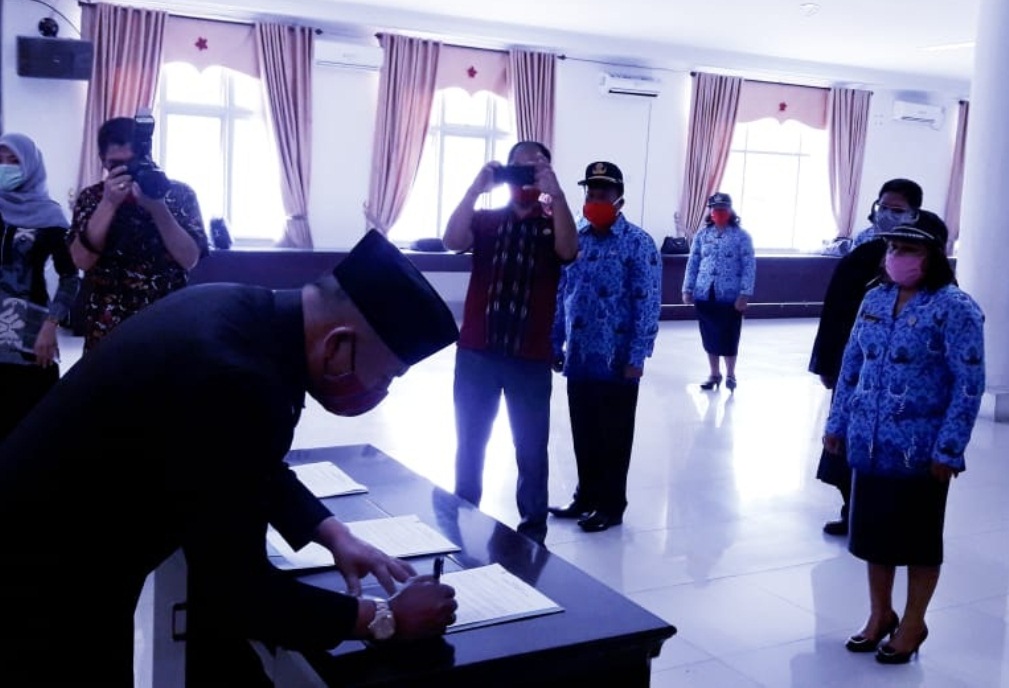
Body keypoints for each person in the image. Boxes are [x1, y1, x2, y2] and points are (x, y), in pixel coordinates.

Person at [0, 229, 461, 686]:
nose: (380, 391)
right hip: (43, 582)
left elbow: (242, 460)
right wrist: (383, 617)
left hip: (60, 548)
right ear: (337, 345)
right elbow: (237, 590)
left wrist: (333, 533)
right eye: (386, 376)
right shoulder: (237, 377)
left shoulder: (242, 310)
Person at [822, 211, 984, 665]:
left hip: (921, 449)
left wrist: (950, 447)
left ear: (932, 255)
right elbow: (851, 365)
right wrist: (836, 424)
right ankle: (880, 615)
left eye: (909, 249)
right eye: (893, 247)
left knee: (917, 540)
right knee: (874, 536)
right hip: (869, 442)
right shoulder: (875, 298)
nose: (897, 256)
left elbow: (968, 384)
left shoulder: (955, 308)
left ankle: (913, 623)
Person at [444, 140, 578, 545]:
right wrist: (474, 189)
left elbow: (569, 250)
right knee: (470, 441)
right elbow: (452, 239)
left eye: (535, 170)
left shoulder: (552, 223)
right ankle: (462, 514)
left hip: (529, 356)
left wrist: (557, 195)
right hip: (477, 352)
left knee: (531, 448)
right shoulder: (486, 220)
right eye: (520, 169)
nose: (527, 178)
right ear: (505, 173)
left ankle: (533, 532)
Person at [548, 161, 661, 532]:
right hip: (580, 356)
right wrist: (555, 340)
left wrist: (637, 355)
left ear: (619, 200)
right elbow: (563, 292)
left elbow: (648, 302)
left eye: (603, 195)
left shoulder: (638, 243)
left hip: (617, 360)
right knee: (583, 430)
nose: (595, 201)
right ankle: (586, 495)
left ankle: (611, 505)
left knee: (614, 435)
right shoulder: (575, 238)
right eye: (591, 194)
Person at [810, 178, 923, 536]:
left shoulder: (924, 261)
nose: (887, 215)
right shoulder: (861, 252)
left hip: (902, 377)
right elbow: (834, 310)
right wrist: (826, 362)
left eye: (897, 210)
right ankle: (851, 510)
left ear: (914, 214)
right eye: (883, 207)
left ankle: (887, 518)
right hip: (855, 367)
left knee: (891, 448)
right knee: (846, 441)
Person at [68, 116, 209, 352]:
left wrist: (157, 207)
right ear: (103, 161)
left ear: (148, 156)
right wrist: (108, 204)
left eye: (133, 162)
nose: (127, 171)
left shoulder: (179, 195)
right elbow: (81, 260)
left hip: (167, 323)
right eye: (116, 165)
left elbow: (189, 259)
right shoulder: (91, 198)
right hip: (107, 326)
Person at [0, 133, 80, 440]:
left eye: (14, 160)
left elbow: (70, 277)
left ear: (31, 166)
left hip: (29, 333)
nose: (5, 166)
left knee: (28, 424)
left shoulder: (49, 215)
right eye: (0, 159)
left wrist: (51, 325)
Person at [681, 192, 756, 392]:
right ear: (711, 212)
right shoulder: (702, 235)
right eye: (716, 209)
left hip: (731, 297)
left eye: (723, 209)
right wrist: (687, 289)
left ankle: (731, 374)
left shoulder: (741, 236)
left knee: (729, 336)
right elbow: (693, 263)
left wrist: (744, 294)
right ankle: (714, 374)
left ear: (730, 211)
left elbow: (749, 266)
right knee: (710, 336)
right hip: (704, 293)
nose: (719, 212)